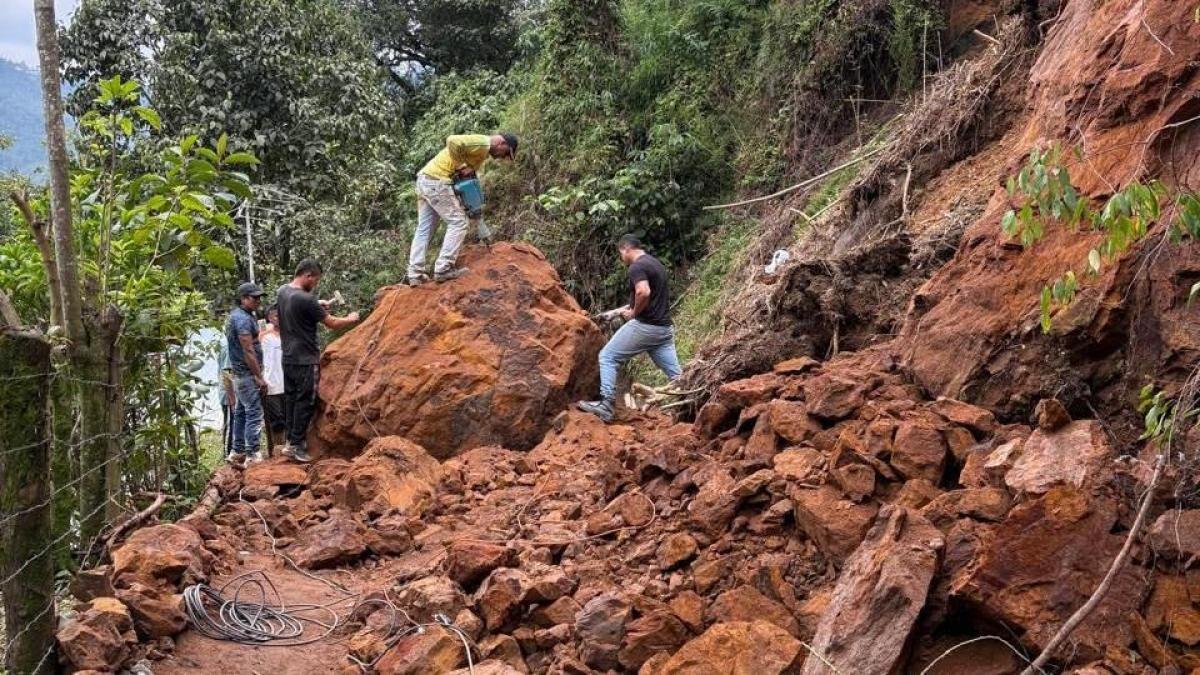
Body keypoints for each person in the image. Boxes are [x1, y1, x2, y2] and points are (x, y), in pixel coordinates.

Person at [578, 235, 683, 423]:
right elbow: (643, 298)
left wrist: (634, 313)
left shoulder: (636, 266)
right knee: (679, 378)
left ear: (626, 249)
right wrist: (612, 313)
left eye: (620, 253)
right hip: (663, 330)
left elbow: (644, 292)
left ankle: (606, 405)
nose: (621, 258)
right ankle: (692, 403)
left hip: (647, 327)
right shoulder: (655, 264)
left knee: (607, 356)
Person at [276, 259, 361, 463]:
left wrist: (318, 304)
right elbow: (331, 323)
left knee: (291, 399)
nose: (315, 284)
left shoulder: (283, 292)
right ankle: (296, 445)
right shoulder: (306, 300)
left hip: (288, 357)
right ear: (308, 275)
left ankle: (290, 441)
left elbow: (299, 308)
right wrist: (351, 318)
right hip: (306, 359)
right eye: (315, 280)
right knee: (306, 401)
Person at [407, 132, 518, 286]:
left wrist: (471, 206)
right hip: (437, 181)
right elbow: (451, 140)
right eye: (505, 153)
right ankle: (443, 269)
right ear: (502, 143)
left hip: (426, 179)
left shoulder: (482, 155)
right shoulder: (482, 143)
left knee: (425, 229)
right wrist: (460, 166)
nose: (502, 157)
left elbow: (466, 182)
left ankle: (415, 274)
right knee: (459, 222)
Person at [226, 282, 267, 464]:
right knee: (254, 412)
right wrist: (258, 376)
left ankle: (238, 451)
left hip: (240, 374)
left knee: (242, 412)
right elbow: (248, 350)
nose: (258, 300)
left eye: (259, 297)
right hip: (246, 374)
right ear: (243, 298)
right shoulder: (242, 319)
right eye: (254, 297)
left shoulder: (240, 315)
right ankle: (252, 453)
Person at [260, 304, 287, 454]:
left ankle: (288, 447)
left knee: (289, 416)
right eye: (274, 316)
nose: (278, 318)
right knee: (276, 419)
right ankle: (277, 447)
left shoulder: (288, 335)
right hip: (271, 384)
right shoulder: (265, 336)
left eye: (280, 315)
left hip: (288, 383)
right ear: (269, 318)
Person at [217, 337, 237, 461]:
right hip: (229, 393)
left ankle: (233, 451)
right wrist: (232, 398)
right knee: (231, 423)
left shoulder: (229, 343)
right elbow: (226, 373)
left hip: (233, 392)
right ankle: (228, 453)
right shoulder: (229, 346)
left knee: (233, 423)